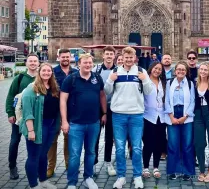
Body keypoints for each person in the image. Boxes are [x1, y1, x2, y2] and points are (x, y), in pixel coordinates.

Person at [105, 46, 153, 189]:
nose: (128, 60)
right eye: (126, 57)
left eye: (131, 57)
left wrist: (144, 80)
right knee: (120, 148)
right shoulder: (115, 71)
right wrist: (110, 81)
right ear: (122, 58)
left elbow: (149, 91)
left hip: (136, 115)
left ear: (135, 58)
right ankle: (121, 177)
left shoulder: (141, 71)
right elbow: (107, 91)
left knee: (137, 147)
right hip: (118, 115)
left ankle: (137, 176)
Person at [60, 53, 107, 189]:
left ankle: (88, 177)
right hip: (76, 123)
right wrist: (64, 121)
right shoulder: (71, 79)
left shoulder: (97, 78)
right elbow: (63, 101)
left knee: (91, 152)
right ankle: (72, 182)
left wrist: (104, 113)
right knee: (74, 154)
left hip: (94, 122)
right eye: (85, 62)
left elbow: (102, 95)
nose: (88, 65)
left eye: (90, 63)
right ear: (79, 64)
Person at [20, 63, 60, 189]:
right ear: (39, 72)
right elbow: (27, 111)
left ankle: (43, 181)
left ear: (52, 73)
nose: (46, 73)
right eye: (44, 70)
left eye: (49, 71)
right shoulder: (31, 88)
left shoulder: (53, 87)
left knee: (43, 154)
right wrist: (31, 130)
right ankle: (33, 184)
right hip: (37, 126)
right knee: (33, 156)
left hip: (51, 125)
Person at [5, 53, 40, 180]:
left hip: (36, 118)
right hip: (19, 117)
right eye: (30, 61)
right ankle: (12, 167)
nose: (33, 63)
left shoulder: (41, 78)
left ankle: (34, 168)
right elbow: (10, 96)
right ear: (26, 63)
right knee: (15, 141)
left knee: (34, 143)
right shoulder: (19, 78)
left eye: (35, 61)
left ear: (38, 63)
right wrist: (10, 113)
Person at [47, 49, 78, 178]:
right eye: (63, 57)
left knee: (69, 138)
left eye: (67, 57)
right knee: (52, 139)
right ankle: (51, 167)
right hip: (54, 110)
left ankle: (68, 164)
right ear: (58, 58)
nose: (65, 59)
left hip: (71, 110)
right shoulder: (53, 72)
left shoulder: (75, 72)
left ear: (70, 58)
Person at [165, 61, 195, 180]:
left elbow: (193, 101)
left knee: (187, 145)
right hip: (172, 113)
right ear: (175, 71)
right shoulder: (169, 83)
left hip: (186, 114)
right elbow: (166, 100)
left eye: (183, 70)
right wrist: (171, 116)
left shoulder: (191, 84)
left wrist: (185, 116)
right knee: (173, 144)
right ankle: (173, 170)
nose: (181, 71)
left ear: (186, 72)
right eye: (179, 69)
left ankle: (187, 171)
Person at [93, 46, 118, 176]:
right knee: (95, 136)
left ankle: (108, 162)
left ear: (114, 56)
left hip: (113, 108)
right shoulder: (96, 69)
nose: (109, 56)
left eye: (111, 54)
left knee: (109, 137)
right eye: (107, 54)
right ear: (103, 56)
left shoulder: (118, 70)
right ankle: (94, 163)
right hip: (97, 108)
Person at [142, 61, 167, 179]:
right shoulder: (144, 81)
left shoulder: (163, 82)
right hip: (148, 116)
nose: (157, 71)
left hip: (161, 117)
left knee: (159, 142)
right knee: (148, 143)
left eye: (159, 69)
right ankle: (146, 167)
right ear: (151, 68)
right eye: (155, 68)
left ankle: (156, 167)